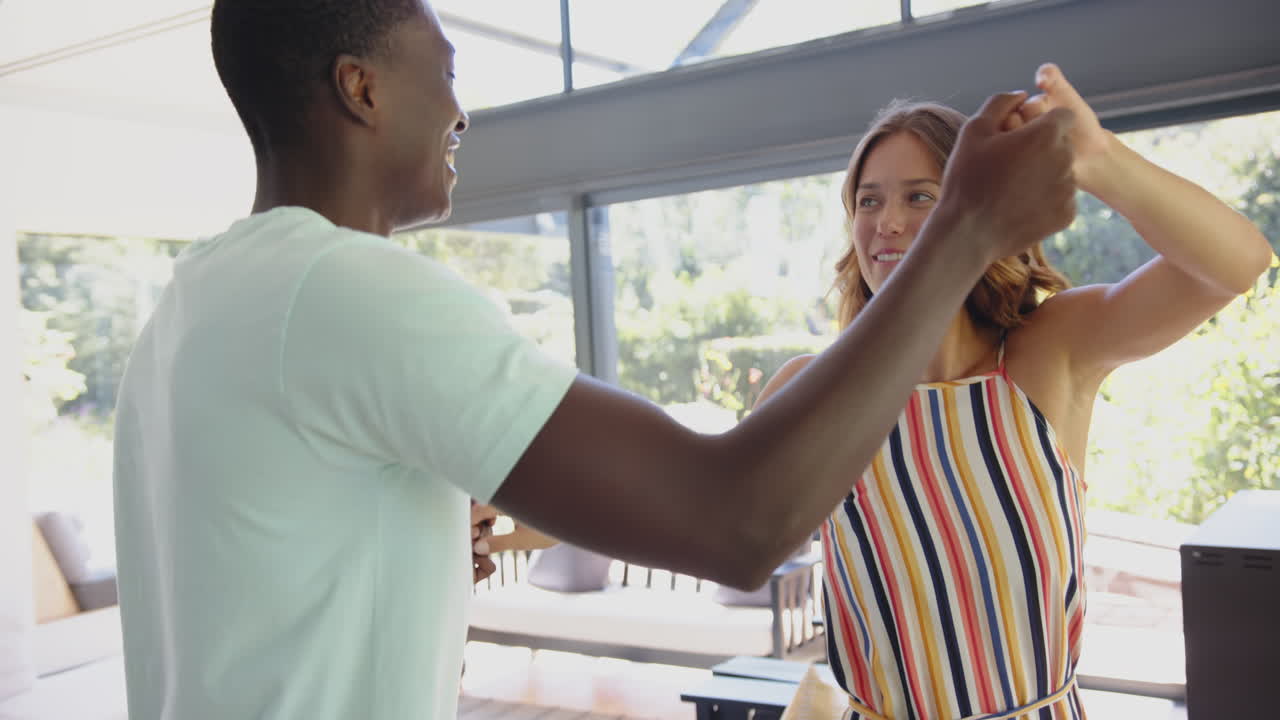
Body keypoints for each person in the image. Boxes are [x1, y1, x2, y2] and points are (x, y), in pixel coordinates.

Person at [110, 1, 1081, 718]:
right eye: (442, 70)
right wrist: (962, 224)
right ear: (359, 87)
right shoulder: (352, 291)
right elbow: (735, 520)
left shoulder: (189, 309)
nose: (460, 111)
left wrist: (407, 535)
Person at [752, 65, 1274, 719]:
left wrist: (1097, 157)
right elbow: (731, 537)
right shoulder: (808, 390)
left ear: (974, 208)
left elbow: (1238, 262)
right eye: (868, 199)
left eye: (919, 197)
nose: (886, 221)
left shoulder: (1049, 353)